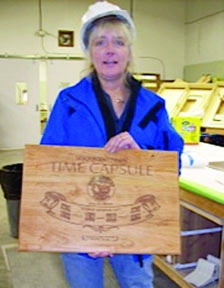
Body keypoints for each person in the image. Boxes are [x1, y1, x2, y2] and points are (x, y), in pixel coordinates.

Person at [40, 1, 184, 287]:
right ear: (89, 51)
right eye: (100, 42)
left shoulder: (154, 106)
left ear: (129, 51)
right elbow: (47, 169)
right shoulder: (69, 102)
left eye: (119, 42)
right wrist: (90, 234)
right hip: (79, 226)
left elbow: (173, 162)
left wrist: (143, 154)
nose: (109, 50)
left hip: (136, 222)